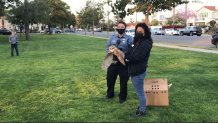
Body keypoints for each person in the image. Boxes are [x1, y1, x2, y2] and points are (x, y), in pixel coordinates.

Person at [124, 23, 153, 116]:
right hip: (134, 70)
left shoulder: (146, 43)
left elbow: (138, 57)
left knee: (140, 92)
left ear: (145, 32)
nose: (138, 33)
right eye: (137, 31)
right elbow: (130, 52)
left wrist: (127, 59)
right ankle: (142, 106)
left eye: (141, 31)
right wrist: (126, 56)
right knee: (139, 91)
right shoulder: (138, 41)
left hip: (138, 71)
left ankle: (142, 110)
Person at [105, 21, 133, 103]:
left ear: (125, 28)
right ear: (117, 28)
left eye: (122, 27)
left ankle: (122, 97)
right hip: (112, 61)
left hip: (123, 63)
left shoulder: (129, 38)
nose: (120, 28)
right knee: (110, 79)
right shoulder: (112, 37)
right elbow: (107, 47)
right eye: (119, 27)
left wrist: (125, 56)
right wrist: (109, 52)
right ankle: (110, 94)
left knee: (123, 81)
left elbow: (132, 49)